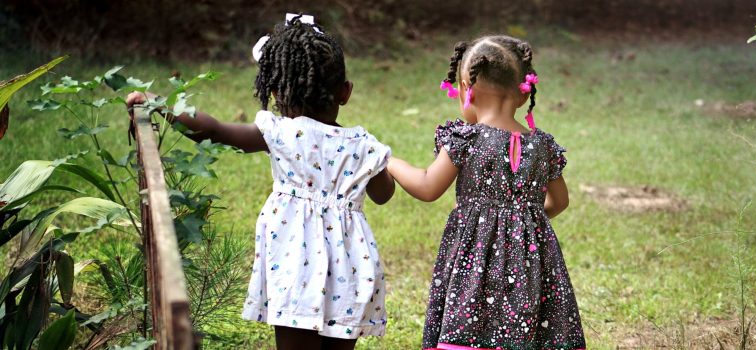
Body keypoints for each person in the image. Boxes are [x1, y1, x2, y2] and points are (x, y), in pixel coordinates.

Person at [126, 14, 395, 350]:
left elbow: (213, 131)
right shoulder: (362, 144)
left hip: (296, 262)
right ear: (345, 92)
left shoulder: (280, 132)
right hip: (351, 268)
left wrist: (160, 106)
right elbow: (384, 194)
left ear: (274, 91)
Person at [387, 35, 586, 350]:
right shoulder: (544, 146)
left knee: (472, 330)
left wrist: (389, 161)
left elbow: (427, 186)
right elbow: (559, 202)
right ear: (523, 94)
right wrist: (524, 223)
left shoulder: (467, 140)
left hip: (475, 265)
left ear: (467, 88)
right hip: (531, 266)